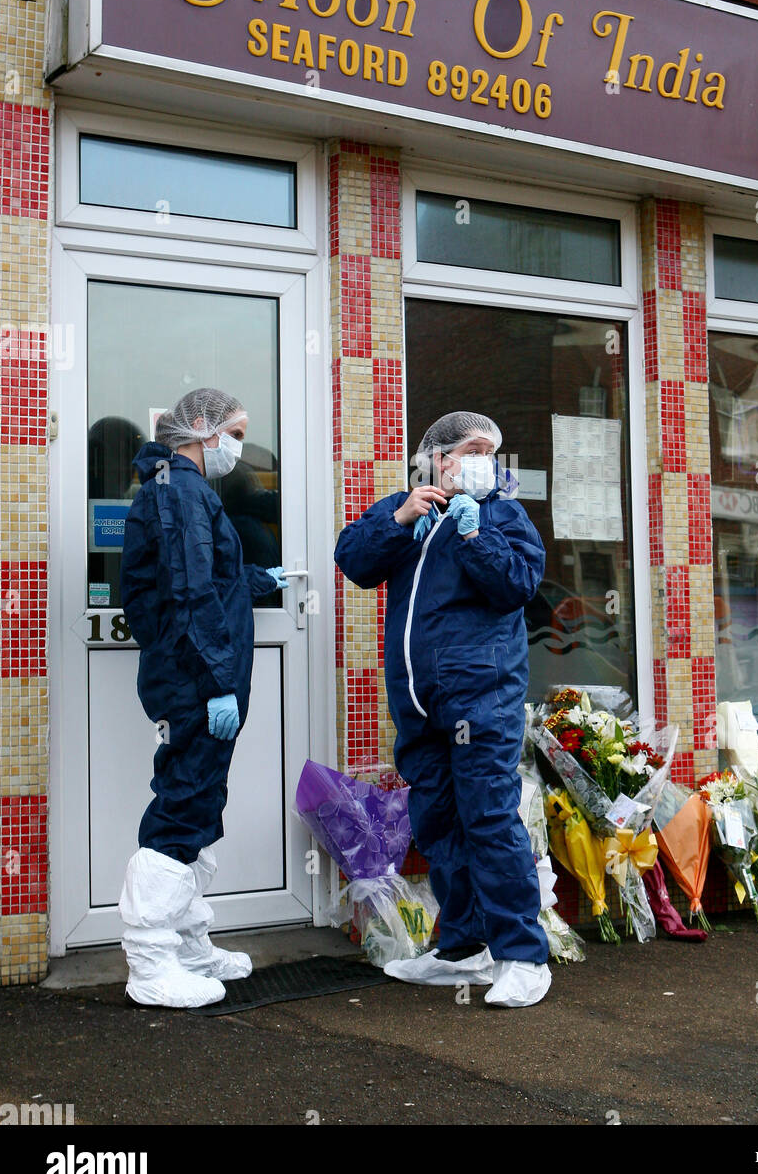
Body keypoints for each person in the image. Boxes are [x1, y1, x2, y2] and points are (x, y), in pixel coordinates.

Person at [334, 411, 551, 1008]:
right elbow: (353, 561)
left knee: (488, 820)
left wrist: (474, 533)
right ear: (435, 457)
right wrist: (401, 519)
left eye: (490, 450)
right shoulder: (408, 508)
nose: (483, 460)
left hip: (481, 699)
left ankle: (523, 955)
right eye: (470, 450)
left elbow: (517, 587)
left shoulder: (503, 513)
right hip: (418, 703)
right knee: (438, 824)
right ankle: (462, 947)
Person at [117, 388, 288, 1008]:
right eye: (235, 432)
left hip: (191, 674)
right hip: (195, 680)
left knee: (200, 798)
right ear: (201, 428)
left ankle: (188, 943)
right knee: (184, 800)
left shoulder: (180, 488)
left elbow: (198, 577)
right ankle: (150, 960)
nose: (239, 446)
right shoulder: (181, 490)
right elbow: (188, 595)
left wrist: (252, 578)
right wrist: (218, 684)